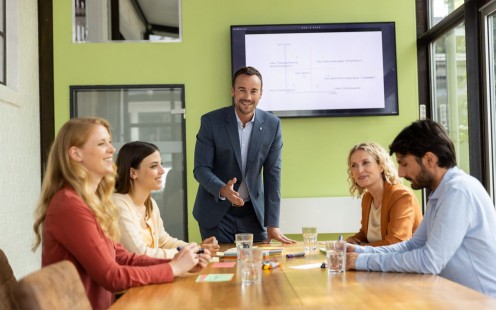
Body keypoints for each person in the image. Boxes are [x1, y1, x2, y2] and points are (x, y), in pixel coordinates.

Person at [32, 117, 211, 309]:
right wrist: (172, 268)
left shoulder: (92, 202)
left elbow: (123, 257)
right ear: (76, 154)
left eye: (110, 142)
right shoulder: (69, 205)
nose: (112, 149)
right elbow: (111, 276)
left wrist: (179, 262)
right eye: (102, 144)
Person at [346, 120, 496, 297]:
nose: (400, 173)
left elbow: (429, 261)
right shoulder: (440, 192)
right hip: (451, 296)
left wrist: (364, 261)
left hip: (478, 301)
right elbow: (413, 245)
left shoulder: (458, 192)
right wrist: (359, 251)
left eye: (404, 164)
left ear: (429, 160)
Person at [193, 66, 295, 244]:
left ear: (260, 94)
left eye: (253, 91)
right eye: (242, 90)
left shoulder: (273, 125)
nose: (247, 97)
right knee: (221, 267)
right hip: (216, 214)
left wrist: (272, 223)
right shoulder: (211, 122)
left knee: (257, 267)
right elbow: (201, 168)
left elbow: (273, 175)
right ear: (233, 91)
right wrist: (222, 189)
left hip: (253, 215)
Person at [113, 141, 220, 259]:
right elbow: (140, 254)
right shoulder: (118, 204)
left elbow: (164, 242)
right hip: (134, 276)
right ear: (133, 172)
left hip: (152, 273)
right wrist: (193, 252)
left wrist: (197, 248)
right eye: (154, 166)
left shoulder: (150, 204)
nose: (162, 170)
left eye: (161, 164)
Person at [345, 142, 422, 246]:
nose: (359, 170)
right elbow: (365, 234)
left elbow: (397, 242)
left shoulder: (401, 195)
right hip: (378, 260)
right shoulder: (367, 198)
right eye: (354, 165)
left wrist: (361, 248)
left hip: (405, 261)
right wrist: (351, 241)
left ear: (381, 166)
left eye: (365, 163)